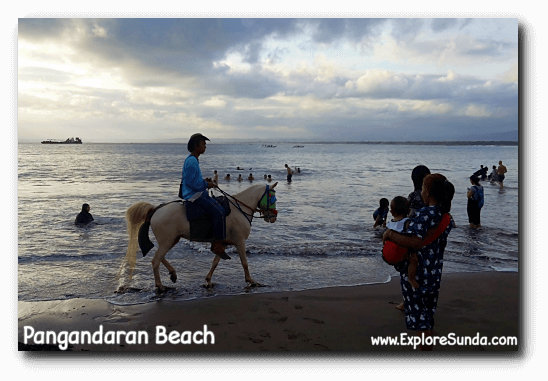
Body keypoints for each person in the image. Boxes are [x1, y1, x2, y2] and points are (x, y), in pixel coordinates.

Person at [382, 174, 455, 350]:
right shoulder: (446, 218)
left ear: (428, 193)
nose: (421, 192)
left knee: (420, 319)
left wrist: (390, 235)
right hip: (434, 271)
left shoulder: (423, 215)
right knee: (427, 314)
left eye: (422, 188)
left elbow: (415, 242)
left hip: (419, 272)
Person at [179, 133, 232, 259]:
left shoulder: (192, 159)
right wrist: (206, 185)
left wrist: (204, 180)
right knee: (219, 211)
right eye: (203, 144)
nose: (205, 147)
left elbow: (194, 179)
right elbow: (191, 183)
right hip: (194, 195)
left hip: (195, 192)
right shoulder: (192, 161)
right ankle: (217, 244)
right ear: (196, 146)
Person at [384, 196, 419, 289]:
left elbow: (384, 237)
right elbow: (409, 236)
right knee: (414, 260)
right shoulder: (407, 222)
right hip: (402, 249)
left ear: (392, 211)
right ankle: (411, 278)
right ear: (408, 211)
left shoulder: (390, 223)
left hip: (389, 252)